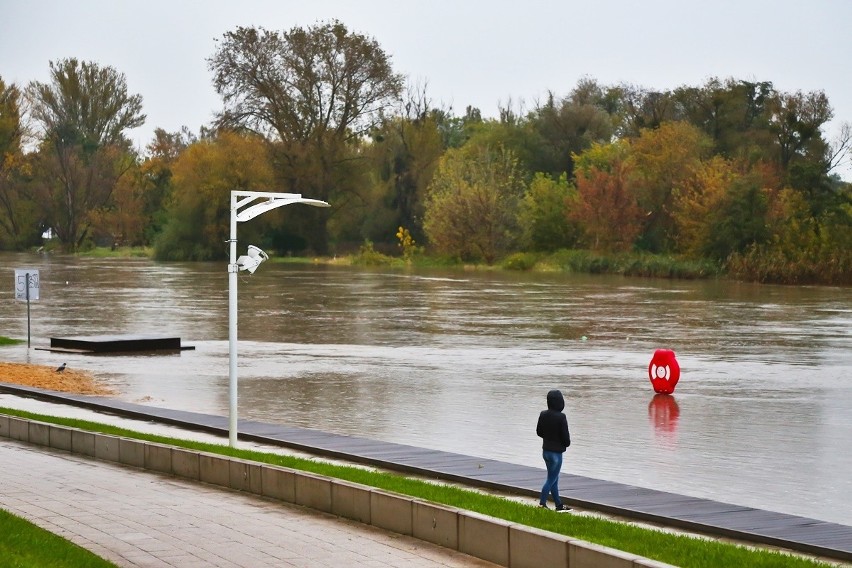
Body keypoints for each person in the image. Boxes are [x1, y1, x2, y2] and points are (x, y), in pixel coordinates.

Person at [536, 389, 571, 511]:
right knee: (551, 479)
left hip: (545, 451)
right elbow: (566, 437)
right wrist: (566, 444)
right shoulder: (561, 417)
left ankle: (559, 505)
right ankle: (542, 504)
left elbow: (539, 432)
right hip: (556, 454)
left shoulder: (543, 414)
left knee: (554, 479)